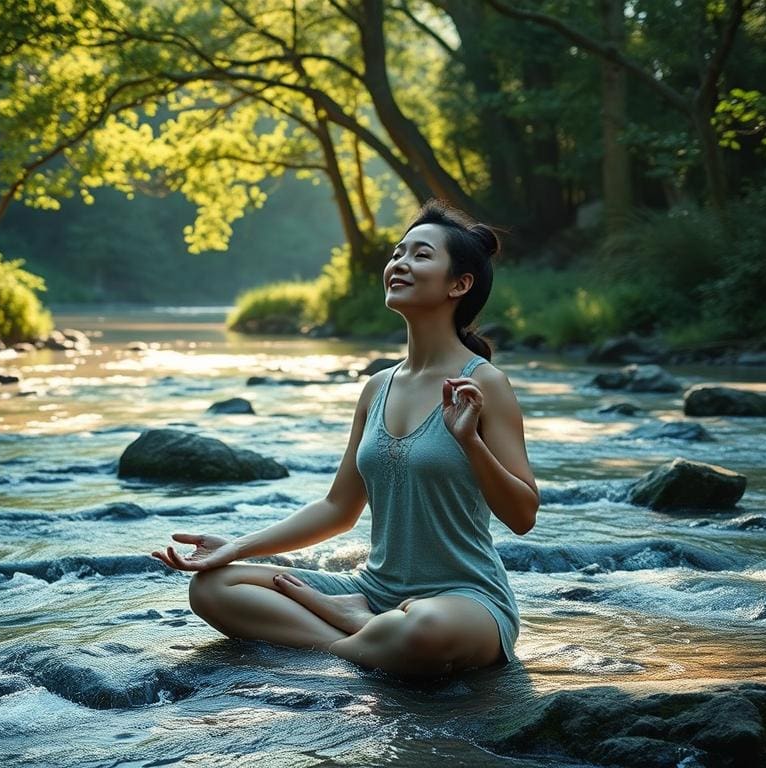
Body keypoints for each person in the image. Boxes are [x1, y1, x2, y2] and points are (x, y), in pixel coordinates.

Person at [151, 198, 539, 678]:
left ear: (459, 284)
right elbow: (338, 508)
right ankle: (360, 634)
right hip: (373, 590)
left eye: (421, 255)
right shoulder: (377, 387)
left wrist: (469, 443)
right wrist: (236, 548)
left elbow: (522, 515)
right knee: (212, 588)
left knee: (424, 629)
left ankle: (364, 632)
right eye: (398, 253)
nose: (399, 263)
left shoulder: (485, 385)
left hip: (462, 600)